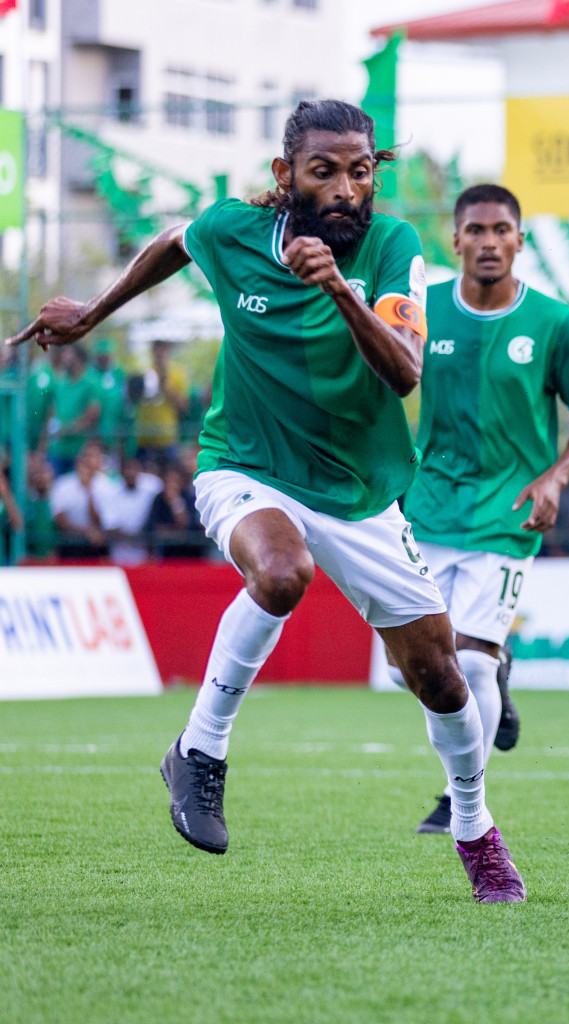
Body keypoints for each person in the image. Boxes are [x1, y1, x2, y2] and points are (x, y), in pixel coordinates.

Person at [6, 100, 522, 903]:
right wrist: (92, 313)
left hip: (360, 494)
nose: (349, 188)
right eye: (326, 172)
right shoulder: (234, 231)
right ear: (286, 177)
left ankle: (471, 823)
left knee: (443, 679)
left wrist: (341, 292)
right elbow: (175, 242)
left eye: (362, 170)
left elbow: (406, 370)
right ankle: (200, 752)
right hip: (244, 465)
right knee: (282, 573)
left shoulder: (393, 248)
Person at [397, 183, 569, 835]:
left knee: (474, 661)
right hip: (427, 507)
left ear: (521, 239)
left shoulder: (554, 323)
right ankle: (497, 684)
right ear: (454, 241)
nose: (489, 242)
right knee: (413, 666)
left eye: (502, 230)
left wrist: (557, 476)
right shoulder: (420, 311)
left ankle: (461, 796)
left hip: (508, 516)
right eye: (477, 231)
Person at [49, 438, 119, 560]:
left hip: (97, 548)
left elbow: (105, 523)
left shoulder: (109, 486)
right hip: (70, 547)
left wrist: (89, 490)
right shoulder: (63, 484)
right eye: (86, 456)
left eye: (93, 456)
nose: (88, 460)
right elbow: (60, 521)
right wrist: (86, 532)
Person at [44, 346, 102, 477]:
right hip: (56, 448)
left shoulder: (91, 382)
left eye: (69, 355)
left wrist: (70, 429)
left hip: (79, 449)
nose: (65, 358)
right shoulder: (59, 382)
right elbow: (52, 411)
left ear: (80, 358)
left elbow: (93, 413)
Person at [135, 339, 191, 465]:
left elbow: (184, 406)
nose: (159, 352)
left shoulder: (178, 373)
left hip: (167, 439)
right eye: (157, 348)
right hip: (145, 438)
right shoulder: (144, 372)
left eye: (163, 348)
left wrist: (166, 384)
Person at [100, 455, 163, 565]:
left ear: (139, 471)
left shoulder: (153, 487)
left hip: (146, 551)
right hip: (119, 553)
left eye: (134, 469)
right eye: (127, 469)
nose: (130, 473)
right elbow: (110, 526)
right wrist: (133, 537)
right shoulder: (111, 492)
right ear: (121, 472)